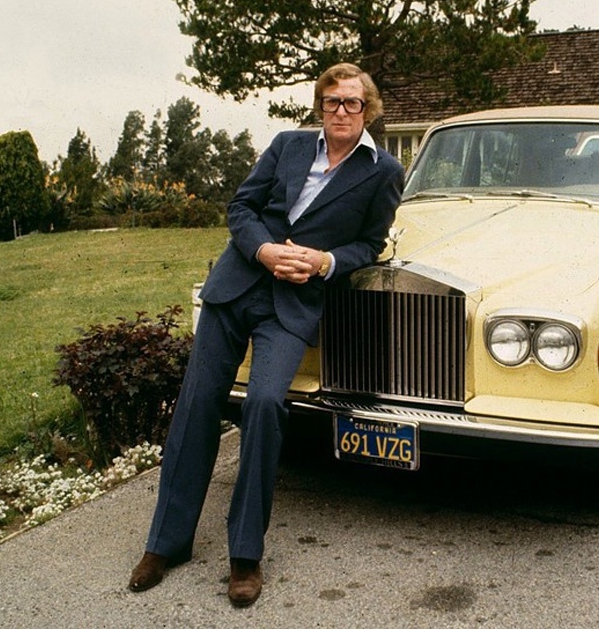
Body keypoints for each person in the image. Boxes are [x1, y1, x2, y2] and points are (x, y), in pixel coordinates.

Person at [127, 63, 405, 607]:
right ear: (319, 107)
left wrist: (325, 260)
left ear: (368, 109)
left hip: (293, 305)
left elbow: (369, 246)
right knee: (198, 404)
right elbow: (242, 207)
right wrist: (262, 249)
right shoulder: (287, 144)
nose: (340, 112)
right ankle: (166, 543)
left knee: (263, 405)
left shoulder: (384, 171)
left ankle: (245, 556)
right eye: (330, 103)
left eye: (350, 103)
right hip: (236, 288)